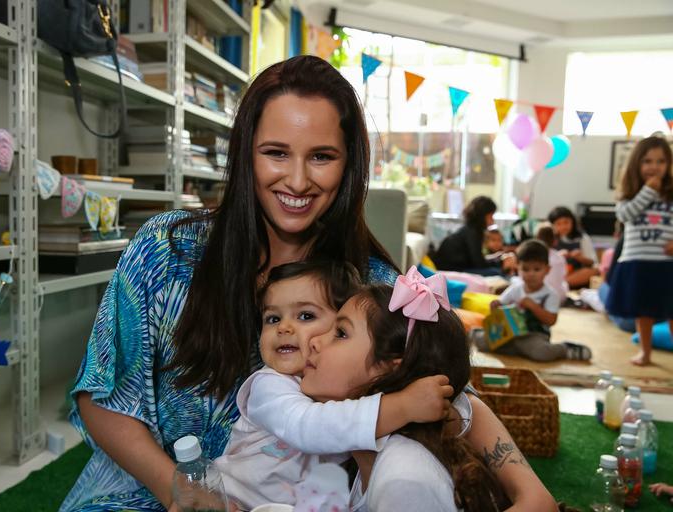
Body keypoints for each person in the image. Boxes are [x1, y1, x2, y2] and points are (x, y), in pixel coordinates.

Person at [61, 55, 555, 511]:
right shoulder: (166, 252)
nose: (297, 181)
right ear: (245, 155)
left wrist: (529, 490)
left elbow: (447, 390)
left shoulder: (367, 285)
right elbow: (104, 394)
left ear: (350, 164)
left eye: (321, 156)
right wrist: (180, 489)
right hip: (144, 489)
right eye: (276, 152)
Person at [301, 268, 557, 511]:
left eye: (341, 333)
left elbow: (539, 502)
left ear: (390, 367)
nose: (314, 341)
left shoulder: (403, 480)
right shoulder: (372, 454)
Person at [215, 261, 458, 510]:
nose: (284, 328)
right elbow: (307, 425)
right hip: (229, 500)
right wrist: (403, 405)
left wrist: (445, 406)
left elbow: (456, 405)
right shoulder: (269, 384)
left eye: (306, 316)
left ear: (388, 366)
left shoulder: (402, 472)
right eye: (272, 318)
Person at [605, 136, 673, 366]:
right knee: (643, 311)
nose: (654, 167)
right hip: (637, 261)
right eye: (647, 161)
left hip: (667, 262)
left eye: (661, 161)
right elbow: (625, 215)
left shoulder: (671, 195)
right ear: (637, 164)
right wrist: (647, 191)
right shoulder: (629, 194)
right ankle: (645, 352)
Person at [471, 240, 592, 362]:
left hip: (534, 336)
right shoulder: (516, 288)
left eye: (536, 269)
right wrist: (496, 305)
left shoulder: (550, 294)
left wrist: (534, 306)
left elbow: (551, 320)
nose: (531, 274)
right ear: (518, 268)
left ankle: (564, 348)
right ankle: (478, 334)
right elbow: (501, 306)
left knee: (541, 353)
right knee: (483, 344)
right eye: (525, 269)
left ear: (547, 270)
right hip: (509, 334)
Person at [433, 196, 516, 276]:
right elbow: (479, 264)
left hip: (457, 267)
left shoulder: (471, 229)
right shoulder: (473, 232)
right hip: (452, 270)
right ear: (483, 216)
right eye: (491, 216)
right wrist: (500, 262)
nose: (492, 220)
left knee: (496, 270)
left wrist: (497, 259)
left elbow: (478, 260)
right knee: (497, 272)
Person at [547, 206, 600, 289]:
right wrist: (558, 256)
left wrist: (580, 257)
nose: (563, 226)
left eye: (566, 222)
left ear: (572, 222)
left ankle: (563, 284)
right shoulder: (549, 239)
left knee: (594, 271)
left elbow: (593, 263)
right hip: (555, 273)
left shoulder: (582, 238)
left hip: (574, 275)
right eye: (558, 224)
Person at [535, 225, 569, 304]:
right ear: (555, 241)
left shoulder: (532, 256)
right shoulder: (559, 258)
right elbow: (564, 276)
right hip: (558, 297)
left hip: (536, 296)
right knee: (565, 284)